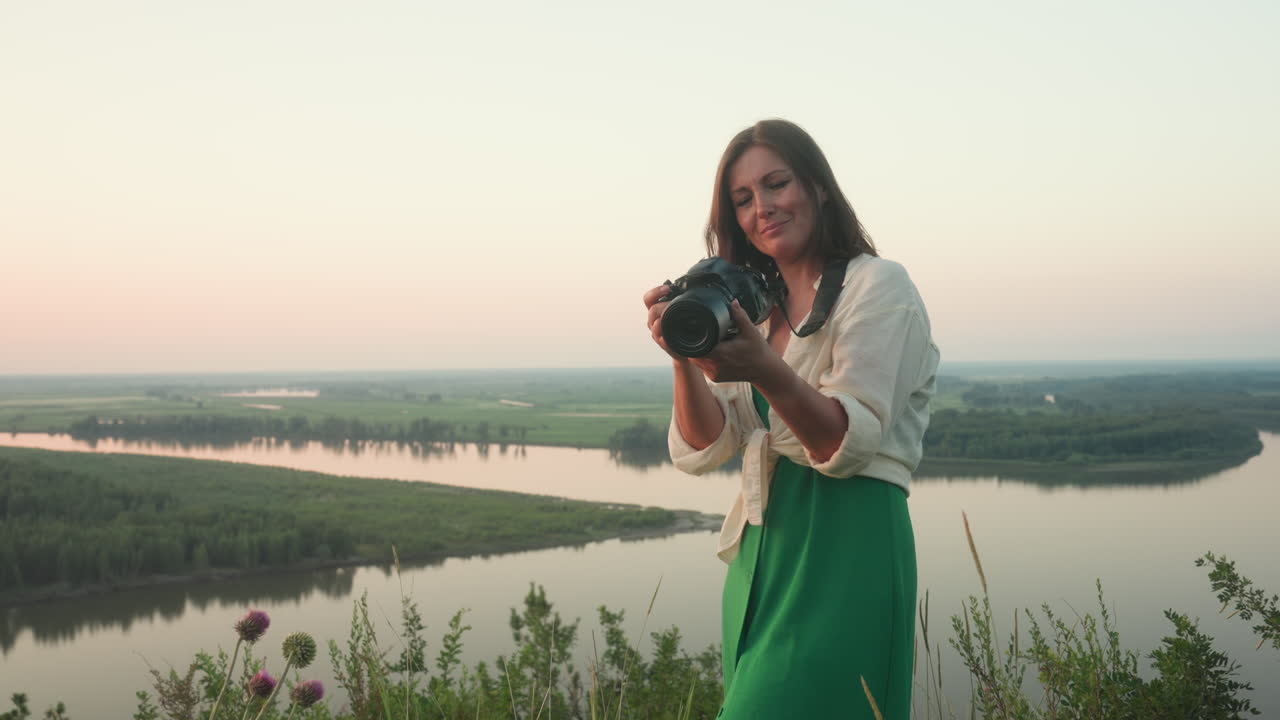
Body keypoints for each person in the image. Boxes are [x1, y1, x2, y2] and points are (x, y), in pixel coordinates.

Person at [642, 119, 939, 719]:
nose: (762, 208)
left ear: (818, 187)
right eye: (743, 199)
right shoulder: (751, 309)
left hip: (847, 542)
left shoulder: (877, 287)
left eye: (777, 184)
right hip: (761, 549)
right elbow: (706, 447)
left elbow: (847, 442)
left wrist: (763, 367)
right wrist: (685, 357)